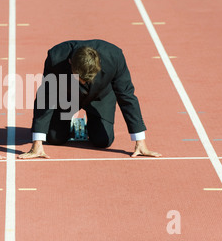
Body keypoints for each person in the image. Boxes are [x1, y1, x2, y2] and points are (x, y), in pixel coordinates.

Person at [18, 39, 161, 159]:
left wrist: (140, 141)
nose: (84, 82)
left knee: (103, 141)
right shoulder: (55, 57)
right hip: (67, 96)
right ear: (69, 63)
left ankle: (91, 122)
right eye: (80, 78)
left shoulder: (115, 57)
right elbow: (46, 96)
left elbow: (127, 96)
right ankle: (72, 123)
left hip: (100, 96)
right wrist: (37, 143)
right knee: (55, 138)